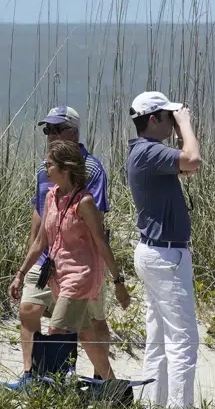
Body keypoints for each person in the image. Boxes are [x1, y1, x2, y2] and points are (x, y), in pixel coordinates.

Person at [9, 140, 130, 382]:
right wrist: (20, 274)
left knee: (56, 330)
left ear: (65, 169)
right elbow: (40, 242)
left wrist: (118, 282)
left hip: (81, 275)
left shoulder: (84, 202)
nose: (45, 168)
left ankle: (51, 389)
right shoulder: (51, 197)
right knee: (85, 335)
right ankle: (114, 386)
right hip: (58, 275)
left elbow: (101, 243)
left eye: (49, 164)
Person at [128, 90, 203, 409]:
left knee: (158, 340)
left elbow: (185, 168)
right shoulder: (148, 151)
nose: (173, 123)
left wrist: (180, 131)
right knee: (184, 340)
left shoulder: (144, 152)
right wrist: (186, 124)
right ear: (154, 119)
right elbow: (193, 160)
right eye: (169, 117)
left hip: (156, 253)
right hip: (166, 256)